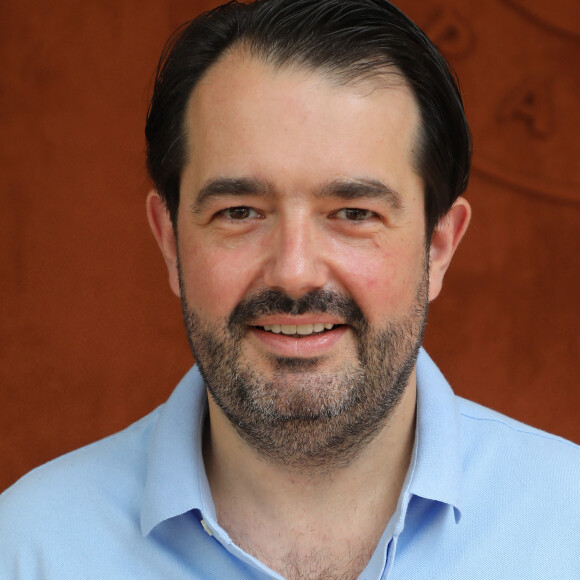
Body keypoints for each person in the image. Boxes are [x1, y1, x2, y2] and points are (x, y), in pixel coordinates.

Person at [1, 0, 578, 578]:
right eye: (241, 211)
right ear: (171, 242)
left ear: (438, 246)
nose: (295, 272)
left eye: (353, 212)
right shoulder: (30, 547)